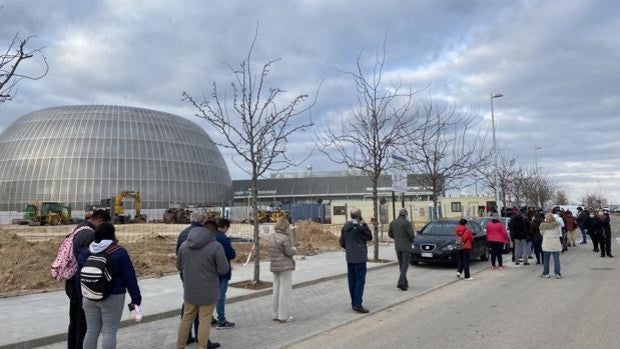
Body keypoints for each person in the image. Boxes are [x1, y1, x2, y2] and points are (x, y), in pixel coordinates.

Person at [78, 222, 141, 349]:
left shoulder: (86, 252)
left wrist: (81, 299)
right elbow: (130, 277)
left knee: (91, 331)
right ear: (112, 235)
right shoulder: (119, 251)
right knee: (109, 331)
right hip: (113, 296)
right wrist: (136, 299)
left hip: (89, 296)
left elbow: (78, 278)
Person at [176, 213, 229, 349]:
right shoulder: (215, 246)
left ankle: (180, 345)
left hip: (190, 288)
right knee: (204, 320)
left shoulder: (184, 245)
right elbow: (223, 269)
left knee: (186, 318)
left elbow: (179, 266)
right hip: (208, 289)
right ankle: (202, 347)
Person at [66, 209, 111, 349]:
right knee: (83, 325)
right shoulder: (90, 235)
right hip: (81, 285)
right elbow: (90, 263)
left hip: (72, 282)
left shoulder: (78, 229)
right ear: (99, 220)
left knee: (74, 322)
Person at [339, 208, 373, 313]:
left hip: (350, 257)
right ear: (359, 216)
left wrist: (350, 249)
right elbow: (369, 237)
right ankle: (358, 304)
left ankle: (354, 302)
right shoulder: (360, 227)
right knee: (360, 281)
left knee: (352, 280)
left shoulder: (345, 227)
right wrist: (364, 224)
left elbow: (342, 242)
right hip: (360, 257)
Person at [268, 218, 298, 323]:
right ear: (285, 227)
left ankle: (275, 314)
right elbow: (289, 252)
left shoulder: (271, 237)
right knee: (284, 292)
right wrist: (294, 249)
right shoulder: (285, 238)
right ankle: (284, 316)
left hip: (275, 266)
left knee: (276, 290)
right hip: (285, 266)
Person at [214, 218, 236, 329]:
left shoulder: (210, 236)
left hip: (210, 271)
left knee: (210, 296)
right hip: (223, 271)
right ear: (225, 227)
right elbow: (231, 254)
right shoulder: (224, 239)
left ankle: (209, 318)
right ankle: (221, 320)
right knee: (221, 296)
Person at [388, 208, 415, 290]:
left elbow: (390, 233)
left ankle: (405, 283)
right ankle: (401, 283)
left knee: (401, 264)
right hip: (406, 246)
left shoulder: (393, 222)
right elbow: (411, 235)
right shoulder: (407, 223)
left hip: (398, 246)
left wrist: (396, 238)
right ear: (405, 215)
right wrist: (411, 240)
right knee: (405, 265)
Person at [540, 213, 562, 279]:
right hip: (555, 243)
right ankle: (557, 274)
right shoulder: (557, 225)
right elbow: (559, 233)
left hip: (547, 243)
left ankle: (546, 273)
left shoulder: (543, 225)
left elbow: (542, 234)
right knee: (556, 260)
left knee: (546, 260)